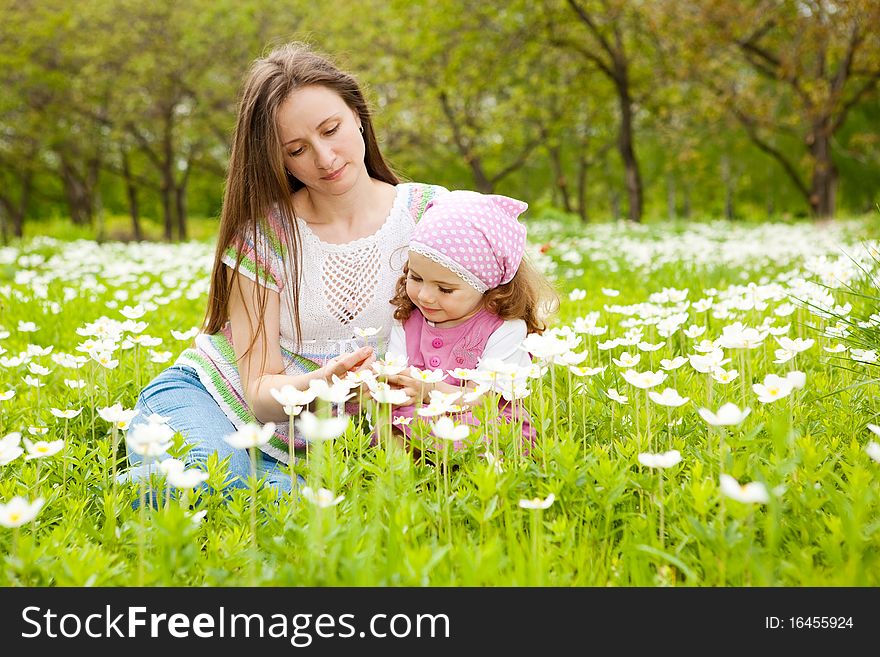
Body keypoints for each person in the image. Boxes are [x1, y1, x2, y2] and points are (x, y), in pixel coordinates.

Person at [120, 42, 447, 495]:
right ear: (278, 158)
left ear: (358, 113)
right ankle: (155, 473)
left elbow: (494, 321)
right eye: (297, 149)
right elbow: (258, 394)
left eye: (331, 129)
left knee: (285, 498)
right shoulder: (264, 236)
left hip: (324, 443)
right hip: (211, 401)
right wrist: (323, 383)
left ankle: (156, 483)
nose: (325, 158)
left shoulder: (432, 214)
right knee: (228, 481)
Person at [384, 190, 557, 448]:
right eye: (416, 278)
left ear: (488, 288)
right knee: (390, 426)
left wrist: (430, 392)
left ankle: (460, 471)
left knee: (489, 437)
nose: (425, 296)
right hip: (419, 411)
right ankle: (414, 473)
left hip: (480, 416)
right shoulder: (408, 319)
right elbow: (396, 376)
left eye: (445, 289)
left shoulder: (504, 328)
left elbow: (485, 399)